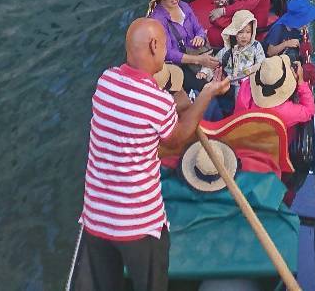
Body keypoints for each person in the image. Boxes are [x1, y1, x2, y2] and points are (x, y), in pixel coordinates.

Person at [78, 16, 229, 291]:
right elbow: (177, 139)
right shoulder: (157, 103)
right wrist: (207, 93)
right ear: (154, 45)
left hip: (95, 220)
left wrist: (179, 103)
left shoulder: (105, 82)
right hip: (139, 226)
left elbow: (136, 116)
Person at [235, 54, 315, 142]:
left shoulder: (245, 86)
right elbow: (310, 111)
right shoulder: (285, 112)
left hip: (242, 136)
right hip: (268, 147)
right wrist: (301, 83)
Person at [148, 0, 212, 81]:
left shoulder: (184, 6)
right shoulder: (157, 20)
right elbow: (167, 53)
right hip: (179, 66)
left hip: (200, 54)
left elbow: (199, 29)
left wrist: (200, 37)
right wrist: (198, 60)